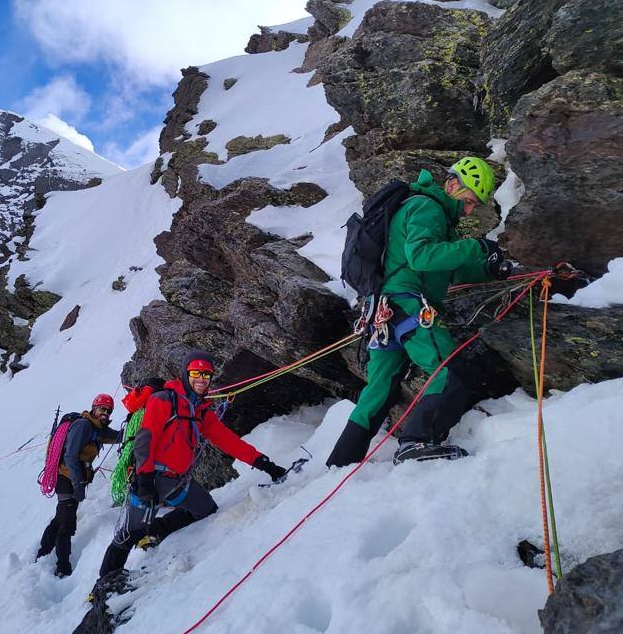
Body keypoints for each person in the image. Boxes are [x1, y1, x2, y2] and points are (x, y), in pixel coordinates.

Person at [327, 157, 510, 468]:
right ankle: (416, 442)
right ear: (452, 185)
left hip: (384, 311)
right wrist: (477, 247)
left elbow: (447, 270)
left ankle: (341, 461)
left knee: (379, 389)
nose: (468, 210)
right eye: (467, 201)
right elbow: (422, 257)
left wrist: (492, 269)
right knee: (448, 369)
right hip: (410, 305)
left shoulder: (425, 212)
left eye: (473, 206)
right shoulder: (428, 207)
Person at [97, 350, 287, 578]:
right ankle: (103, 583)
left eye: (206, 375)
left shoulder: (200, 412)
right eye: (196, 372)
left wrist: (264, 463)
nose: (201, 379)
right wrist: (144, 479)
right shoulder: (164, 400)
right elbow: (145, 441)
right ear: (186, 374)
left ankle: (156, 531)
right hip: (149, 480)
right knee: (127, 534)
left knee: (206, 509)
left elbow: (230, 442)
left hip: (177, 482)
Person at [37, 393, 121, 577]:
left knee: (61, 518)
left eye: (108, 410)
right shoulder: (84, 425)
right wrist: (79, 485)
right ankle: (62, 568)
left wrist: (133, 426)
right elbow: (70, 456)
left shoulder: (98, 428)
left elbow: (117, 437)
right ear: (94, 408)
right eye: (102, 409)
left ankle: (42, 552)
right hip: (66, 478)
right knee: (67, 524)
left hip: (72, 479)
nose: (105, 413)